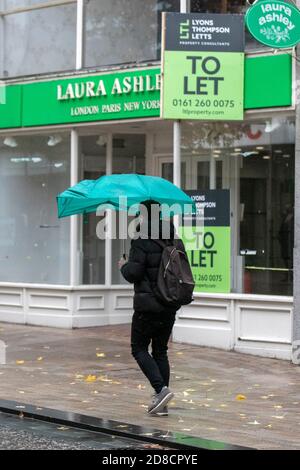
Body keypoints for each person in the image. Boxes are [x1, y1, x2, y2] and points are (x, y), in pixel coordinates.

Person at [118, 200, 185, 416]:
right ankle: (161, 404)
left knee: (138, 348)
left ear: (143, 216)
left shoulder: (141, 240)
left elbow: (134, 274)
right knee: (160, 350)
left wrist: (123, 266)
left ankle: (160, 389)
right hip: (170, 303)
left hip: (148, 306)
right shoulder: (174, 237)